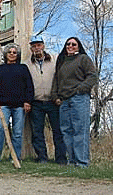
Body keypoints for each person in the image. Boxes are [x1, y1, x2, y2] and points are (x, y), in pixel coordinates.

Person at [51, 37, 97, 167]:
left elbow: (92, 76)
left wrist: (80, 89)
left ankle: (82, 162)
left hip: (79, 98)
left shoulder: (83, 59)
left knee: (80, 130)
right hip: (64, 101)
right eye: (68, 44)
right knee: (66, 131)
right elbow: (56, 80)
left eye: (74, 44)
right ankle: (72, 161)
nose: (70, 46)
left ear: (78, 46)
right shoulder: (62, 61)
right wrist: (55, 96)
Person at [25, 35, 67, 164]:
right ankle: (42, 157)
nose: (36, 48)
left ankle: (60, 158)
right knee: (37, 132)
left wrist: (59, 96)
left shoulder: (54, 59)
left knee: (58, 131)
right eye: (33, 46)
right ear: (31, 48)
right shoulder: (27, 64)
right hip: (36, 102)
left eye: (38, 45)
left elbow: (61, 78)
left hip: (53, 101)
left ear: (43, 46)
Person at [0, 43, 34, 163]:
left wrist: (27, 102)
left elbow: (29, 86)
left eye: (14, 52)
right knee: (0, 128)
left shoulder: (23, 68)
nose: (12, 54)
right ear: (6, 54)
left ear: (17, 55)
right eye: (10, 52)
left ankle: (14, 157)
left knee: (18, 132)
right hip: (3, 105)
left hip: (19, 105)